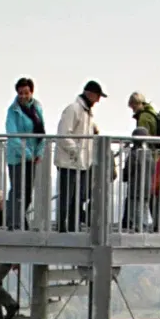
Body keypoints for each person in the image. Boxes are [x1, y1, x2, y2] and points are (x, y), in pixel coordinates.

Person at [56, 81, 105, 230]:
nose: (98, 100)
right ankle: (62, 227)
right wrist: (76, 152)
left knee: (78, 197)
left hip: (82, 163)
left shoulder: (86, 113)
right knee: (67, 197)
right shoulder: (74, 109)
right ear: (90, 94)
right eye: (97, 96)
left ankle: (72, 225)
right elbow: (64, 134)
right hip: (69, 162)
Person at [5, 77, 45, 229]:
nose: (23, 96)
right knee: (17, 190)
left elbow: (41, 132)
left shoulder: (37, 108)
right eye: (20, 93)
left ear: (31, 93)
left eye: (26, 93)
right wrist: (27, 154)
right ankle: (14, 223)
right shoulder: (13, 111)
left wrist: (39, 152)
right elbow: (13, 135)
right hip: (17, 157)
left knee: (27, 192)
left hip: (32, 157)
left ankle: (19, 219)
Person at [122, 92, 160, 231]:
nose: (132, 109)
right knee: (145, 205)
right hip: (147, 184)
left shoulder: (144, 118)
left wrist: (125, 176)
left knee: (136, 205)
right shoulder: (152, 113)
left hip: (136, 186)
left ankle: (138, 226)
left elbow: (129, 169)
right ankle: (147, 225)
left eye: (133, 106)